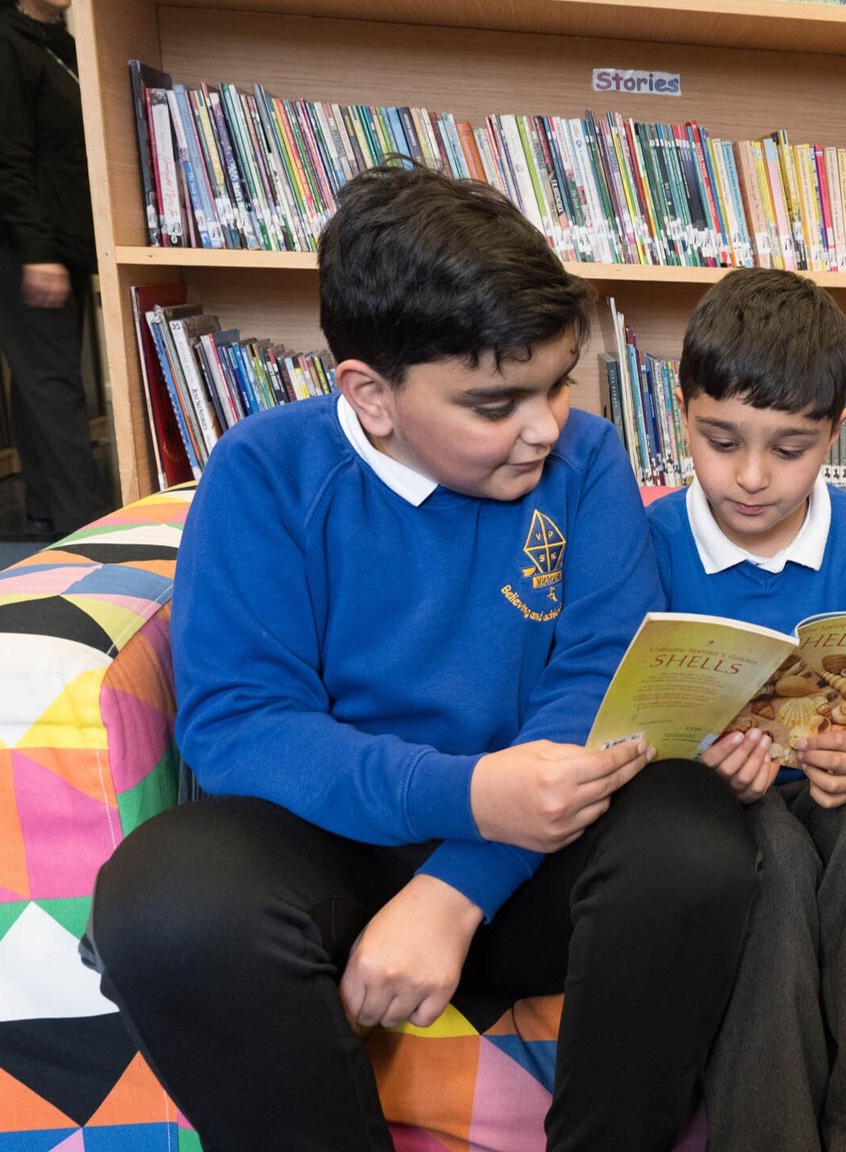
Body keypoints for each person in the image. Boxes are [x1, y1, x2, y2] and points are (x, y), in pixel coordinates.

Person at [88, 164, 759, 1152]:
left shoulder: (585, 461)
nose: (541, 428)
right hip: (337, 843)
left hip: (536, 847)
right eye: (494, 404)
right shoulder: (265, 472)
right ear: (370, 395)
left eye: (557, 385)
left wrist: (455, 891)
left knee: (693, 835)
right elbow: (241, 728)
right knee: (164, 905)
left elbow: (599, 685)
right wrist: (466, 797)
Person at [647, 267, 846, 1152]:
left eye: (789, 448)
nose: (749, 478)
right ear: (681, 410)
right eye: (721, 440)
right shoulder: (650, 540)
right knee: (765, 861)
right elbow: (623, 709)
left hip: (838, 791)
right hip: (714, 804)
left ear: (834, 433)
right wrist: (694, 763)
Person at [0, 0, 108, 534]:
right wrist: (38, 252)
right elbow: (3, 160)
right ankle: (91, 528)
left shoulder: (61, 44)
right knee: (55, 384)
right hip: (20, 246)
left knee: (40, 382)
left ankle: (47, 514)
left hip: (62, 240)